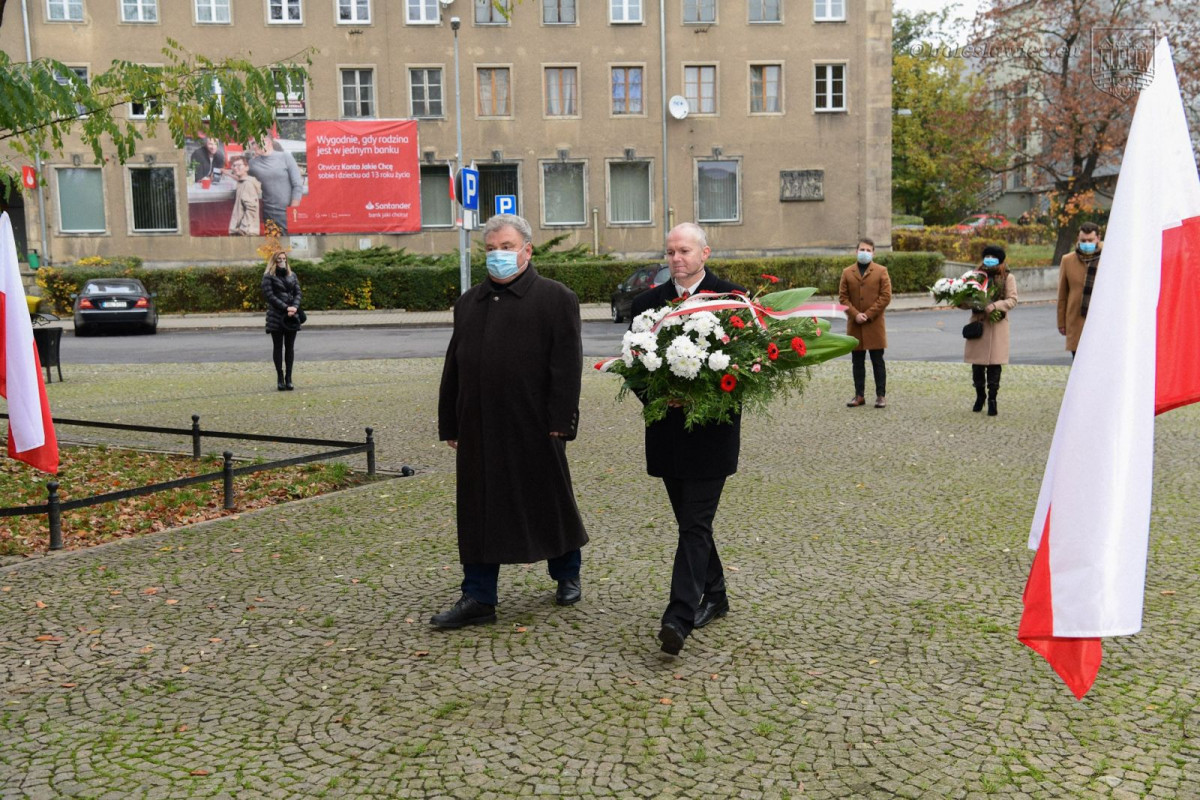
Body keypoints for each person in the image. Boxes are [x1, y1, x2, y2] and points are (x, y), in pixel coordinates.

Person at [433, 213, 588, 629]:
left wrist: (562, 420)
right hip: (479, 424)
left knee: (548, 500)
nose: (497, 256)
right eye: (490, 249)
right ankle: (478, 595)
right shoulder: (469, 302)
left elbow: (567, 365)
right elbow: (455, 366)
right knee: (479, 507)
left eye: (506, 247)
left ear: (526, 250)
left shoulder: (556, 298)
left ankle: (567, 573)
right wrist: (450, 421)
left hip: (535, 423)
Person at [629, 223, 746, 656]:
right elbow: (633, 367)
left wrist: (699, 397)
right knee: (690, 523)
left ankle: (678, 617)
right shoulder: (647, 305)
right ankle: (715, 593)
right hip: (665, 433)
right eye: (670, 252)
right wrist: (663, 395)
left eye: (684, 251)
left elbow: (746, 372)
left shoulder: (732, 300)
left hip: (712, 435)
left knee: (694, 524)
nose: (676, 259)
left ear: (705, 253)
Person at [963, 244, 1018, 416]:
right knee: (977, 365)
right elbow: (966, 298)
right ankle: (980, 396)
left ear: (1000, 260)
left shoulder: (1008, 277)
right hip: (978, 325)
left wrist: (994, 306)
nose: (989, 259)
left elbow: (1012, 299)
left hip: (997, 325)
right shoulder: (976, 276)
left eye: (993, 257)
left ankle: (993, 399)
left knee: (994, 365)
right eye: (987, 256)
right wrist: (961, 301)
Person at [838, 238, 892, 408]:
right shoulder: (847, 272)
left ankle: (881, 395)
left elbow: (885, 297)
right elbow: (843, 298)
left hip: (874, 324)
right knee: (857, 361)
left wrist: (868, 315)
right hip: (855, 324)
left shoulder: (881, 271)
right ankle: (859, 395)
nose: (865, 253)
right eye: (862, 249)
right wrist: (855, 314)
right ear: (856, 251)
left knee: (878, 361)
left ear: (874, 253)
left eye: (868, 250)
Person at [1056, 221, 1102, 358]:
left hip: (1101, 318)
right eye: (1083, 240)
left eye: (1090, 240)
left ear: (1098, 238)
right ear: (1078, 239)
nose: (1086, 243)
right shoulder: (1068, 260)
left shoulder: (1108, 258)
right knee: (1078, 360)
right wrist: (1061, 322)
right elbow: (1062, 294)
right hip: (1076, 319)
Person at [261, 251, 302, 391]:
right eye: (279, 259)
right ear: (274, 261)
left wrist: (294, 307)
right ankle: (280, 378)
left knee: (290, 347)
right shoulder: (268, 277)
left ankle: (289, 378)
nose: (282, 261)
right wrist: (286, 307)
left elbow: (298, 292)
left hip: (291, 317)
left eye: (284, 259)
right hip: (276, 316)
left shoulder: (292, 275)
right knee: (278, 347)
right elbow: (270, 296)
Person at [248, 135, 303, 234]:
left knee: (294, 245)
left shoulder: (285, 157)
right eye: (253, 144)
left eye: (256, 143)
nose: (254, 146)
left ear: (268, 142)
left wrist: (293, 210)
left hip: (288, 212)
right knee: (275, 247)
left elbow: (298, 185)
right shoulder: (252, 163)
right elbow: (241, 174)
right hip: (269, 213)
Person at [227, 154, 262, 236]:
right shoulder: (242, 182)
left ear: (247, 167)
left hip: (246, 232)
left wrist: (242, 229)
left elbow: (251, 209)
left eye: (239, 165)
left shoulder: (247, 184)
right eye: (234, 165)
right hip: (243, 230)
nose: (235, 168)